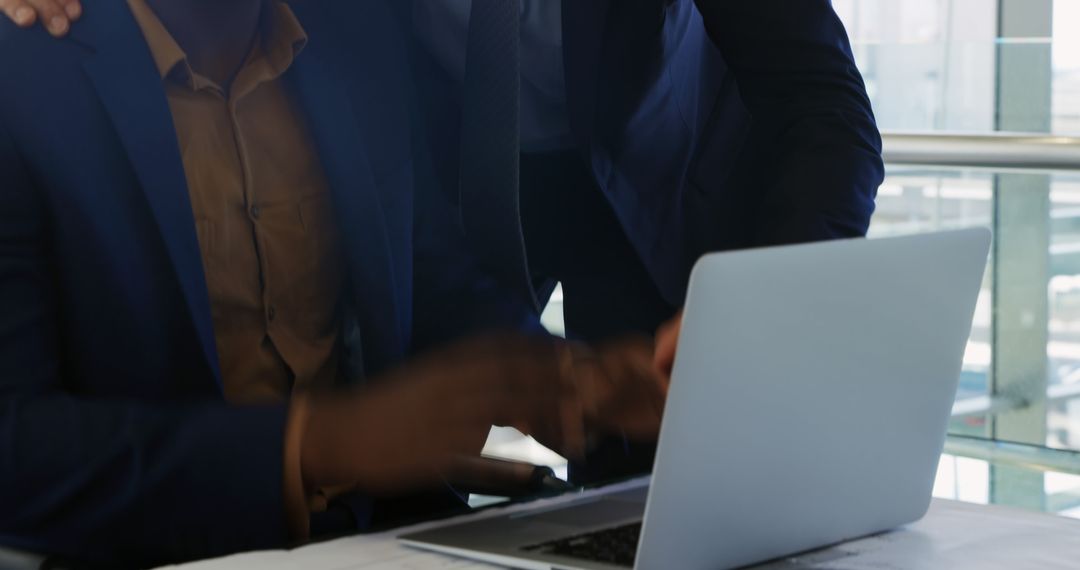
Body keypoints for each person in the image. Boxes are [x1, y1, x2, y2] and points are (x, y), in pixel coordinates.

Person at [5, 0, 883, 506]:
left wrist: (760, 309)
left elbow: (825, 107)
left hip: (665, 179)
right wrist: (327, 444)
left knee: (667, 490)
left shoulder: (335, 48)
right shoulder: (38, 83)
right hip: (469, 172)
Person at [0, 0, 665, 565]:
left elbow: (429, 280)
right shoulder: (25, 71)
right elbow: (16, 451)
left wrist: (563, 379)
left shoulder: (352, 30)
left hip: (392, 539)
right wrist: (316, 444)